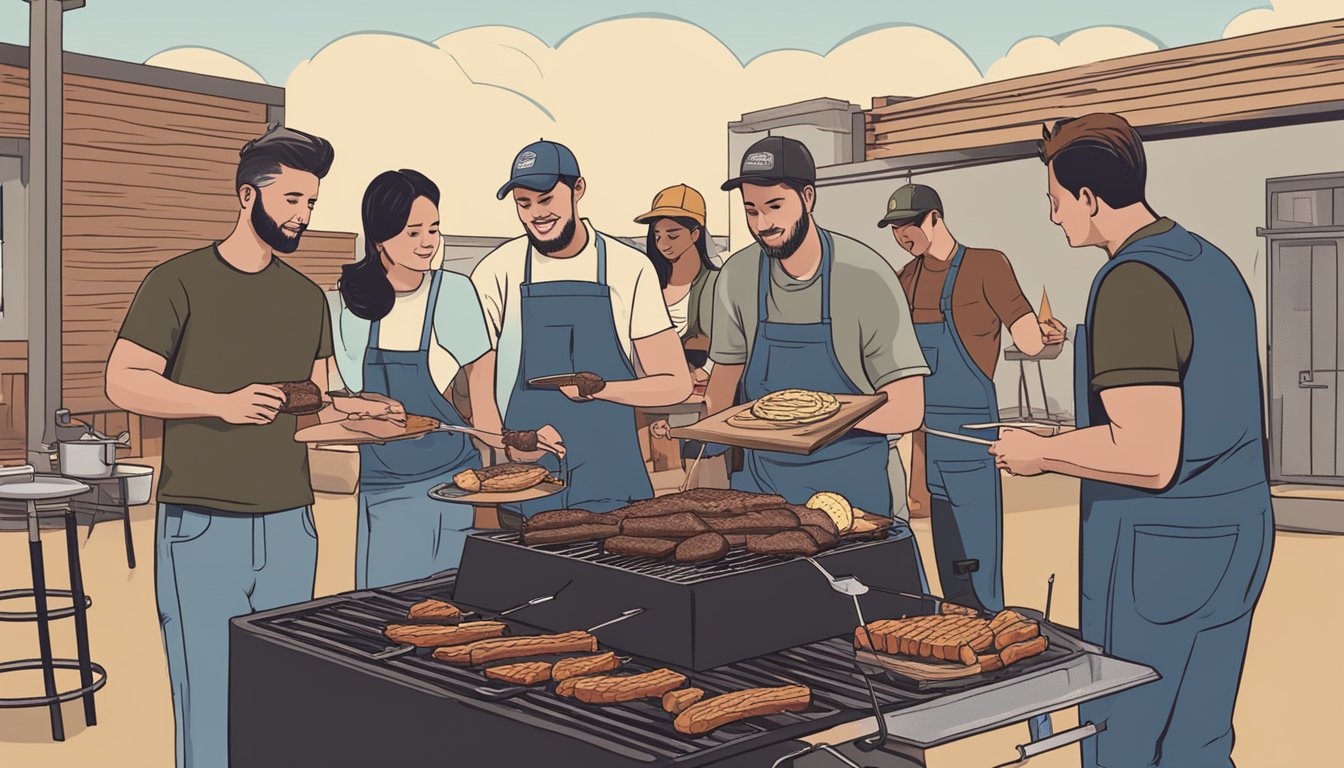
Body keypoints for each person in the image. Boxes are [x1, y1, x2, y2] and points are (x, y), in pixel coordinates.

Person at [105, 125, 395, 768]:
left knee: (283, 691)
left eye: (312, 204)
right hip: (203, 527)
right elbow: (122, 380)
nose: (303, 216)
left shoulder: (303, 298)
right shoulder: (176, 282)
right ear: (246, 195)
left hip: (293, 525)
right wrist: (219, 403)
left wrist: (364, 413)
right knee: (207, 692)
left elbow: (315, 409)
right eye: (292, 199)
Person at [989, 113, 1274, 767]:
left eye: (1056, 202)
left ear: (1090, 198)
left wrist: (1041, 453)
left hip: (1159, 557)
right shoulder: (1210, 261)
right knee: (1198, 744)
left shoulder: (1131, 283)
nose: (1055, 218)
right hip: (1236, 535)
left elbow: (1148, 456)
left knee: (1125, 742)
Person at [328, 169, 562, 589]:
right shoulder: (344, 305)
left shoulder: (454, 294)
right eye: (412, 231)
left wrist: (519, 444)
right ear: (379, 236)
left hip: (455, 482)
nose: (427, 242)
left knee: (457, 602)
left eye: (433, 229)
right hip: (385, 487)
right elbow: (334, 399)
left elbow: (483, 406)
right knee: (392, 605)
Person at [705, 136, 929, 517]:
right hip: (763, 489)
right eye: (751, 211)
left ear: (808, 197)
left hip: (854, 485)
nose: (763, 224)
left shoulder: (864, 276)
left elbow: (908, 409)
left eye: (775, 207)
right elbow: (724, 383)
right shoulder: (736, 276)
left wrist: (810, 419)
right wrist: (706, 455)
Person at [471, 140, 692, 516]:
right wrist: (509, 444)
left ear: (577, 190)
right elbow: (479, 389)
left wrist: (602, 389)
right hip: (530, 480)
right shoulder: (496, 271)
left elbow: (675, 381)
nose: (535, 214)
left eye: (545, 200)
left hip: (614, 479)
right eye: (523, 204)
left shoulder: (629, 268)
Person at [886, 183, 1066, 613]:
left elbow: (1027, 338)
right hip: (928, 432)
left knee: (977, 556)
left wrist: (1047, 337)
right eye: (894, 228)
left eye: (909, 225)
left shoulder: (987, 265)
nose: (901, 236)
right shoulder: (904, 280)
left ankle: (990, 624)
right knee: (947, 560)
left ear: (935, 218)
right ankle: (962, 626)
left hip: (972, 435)